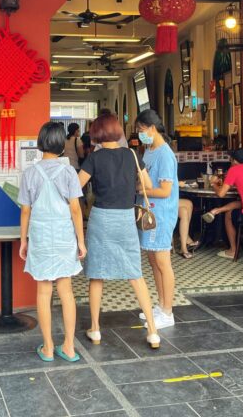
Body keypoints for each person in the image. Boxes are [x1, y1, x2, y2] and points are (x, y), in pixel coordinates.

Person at [78, 113, 160, 349]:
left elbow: (76, 186)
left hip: (101, 218)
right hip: (125, 218)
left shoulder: (95, 158)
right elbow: (148, 185)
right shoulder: (132, 154)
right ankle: (153, 332)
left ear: (97, 134)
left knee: (97, 274)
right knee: (136, 273)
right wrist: (127, 184)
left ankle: (95, 329)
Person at [19, 122, 86, 362]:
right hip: (63, 236)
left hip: (40, 236)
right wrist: (81, 241)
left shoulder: (29, 173)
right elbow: (76, 210)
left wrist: (23, 240)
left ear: (41, 142)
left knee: (43, 291)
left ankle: (48, 347)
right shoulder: (69, 172)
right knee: (66, 291)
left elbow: (25, 211)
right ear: (60, 144)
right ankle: (68, 346)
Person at [134, 109, 180, 329]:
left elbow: (164, 191)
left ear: (152, 128)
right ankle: (161, 306)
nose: (140, 134)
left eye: (142, 130)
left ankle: (168, 312)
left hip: (160, 214)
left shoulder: (164, 154)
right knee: (153, 261)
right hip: (148, 213)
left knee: (163, 262)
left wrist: (142, 190)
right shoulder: (149, 151)